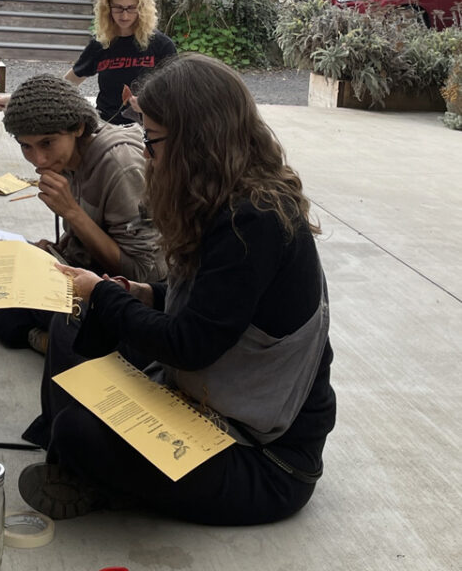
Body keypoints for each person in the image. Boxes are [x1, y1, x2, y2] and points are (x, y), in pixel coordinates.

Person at [18, 53, 336, 526]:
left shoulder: (256, 221)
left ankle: (86, 465)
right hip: (207, 401)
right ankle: (81, 464)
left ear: (196, 140)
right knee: (73, 323)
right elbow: (217, 307)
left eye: (152, 140)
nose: (146, 153)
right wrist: (146, 293)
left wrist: (108, 295)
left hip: (264, 459)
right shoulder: (227, 201)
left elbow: (192, 345)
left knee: (80, 429)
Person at [0, 74, 166, 351]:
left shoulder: (120, 165)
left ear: (78, 127)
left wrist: (71, 212)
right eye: (26, 146)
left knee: (81, 316)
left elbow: (144, 274)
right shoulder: (66, 158)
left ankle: (33, 333)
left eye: (47, 143)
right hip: (77, 270)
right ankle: (43, 332)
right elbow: (85, 240)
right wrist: (56, 248)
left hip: (114, 290)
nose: (39, 159)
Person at [0, 0, 176, 124]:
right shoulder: (101, 46)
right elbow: (66, 84)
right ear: (107, 8)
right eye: (118, 8)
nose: (124, 16)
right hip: (106, 127)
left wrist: (149, 106)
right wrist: (18, 99)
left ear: (142, 7)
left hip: (148, 130)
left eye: (131, 8)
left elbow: (176, 96)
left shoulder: (161, 46)